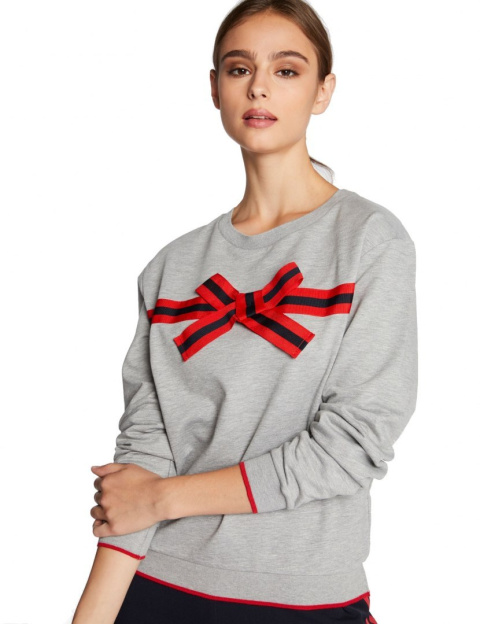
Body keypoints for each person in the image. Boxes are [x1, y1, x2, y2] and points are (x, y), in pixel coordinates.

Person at [72, 1, 418, 622]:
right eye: (239, 69)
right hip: (157, 587)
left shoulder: (369, 240)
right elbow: (143, 457)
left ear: (322, 91)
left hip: (304, 597)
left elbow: (353, 443)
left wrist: (164, 500)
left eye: (286, 70)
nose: (259, 87)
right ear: (215, 88)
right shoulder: (173, 266)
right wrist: (92, 615)